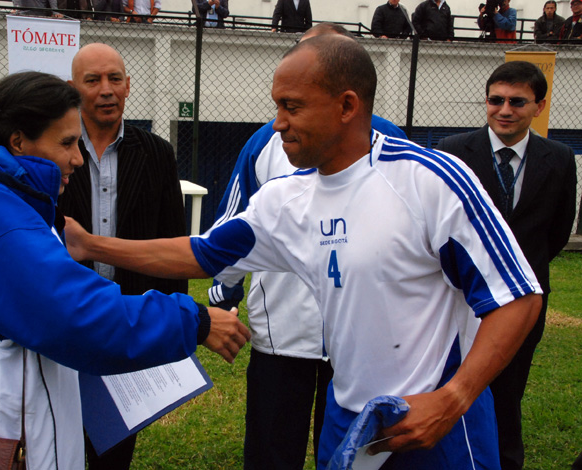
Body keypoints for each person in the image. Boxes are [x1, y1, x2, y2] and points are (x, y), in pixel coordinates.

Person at [65, 35, 543, 470]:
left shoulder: (430, 180)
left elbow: (518, 297)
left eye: (292, 107)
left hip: (436, 429)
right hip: (349, 423)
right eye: (277, 105)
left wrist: (453, 399)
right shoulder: (285, 200)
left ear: (346, 106)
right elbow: (200, 253)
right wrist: (88, 244)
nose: (278, 124)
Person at [0, 71, 249, 469]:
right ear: (18, 141)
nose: (78, 158)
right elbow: (79, 316)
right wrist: (194, 320)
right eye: (66, 143)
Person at [209, 21, 409, 470]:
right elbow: (233, 226)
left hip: (361, 336)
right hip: (283, 334)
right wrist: (225, 293)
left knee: (348, 452)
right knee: (272, 450)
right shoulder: (265, 141)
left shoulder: (393, 141)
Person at [436, 60, 577, 470]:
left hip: (523, 298)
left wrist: (516, 275)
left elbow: (556, 231)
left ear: (539, 105)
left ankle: (504, 460)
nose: (504, 110)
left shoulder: (560, 158)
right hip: (460, 297)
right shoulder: (451, 152)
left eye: (517, 101)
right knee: (454, 384)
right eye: (496, 100)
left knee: (508, 388)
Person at [59, 42, 188, 469]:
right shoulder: (55, 149)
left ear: (129, 85)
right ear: (72, 88)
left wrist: (174, 320)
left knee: (115, 445)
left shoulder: (156, 153)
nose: (106, 89)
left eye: (115, 78)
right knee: (62, 436)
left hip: (128, 319)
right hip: (66, 317)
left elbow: (172, 240)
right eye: (92, 80)